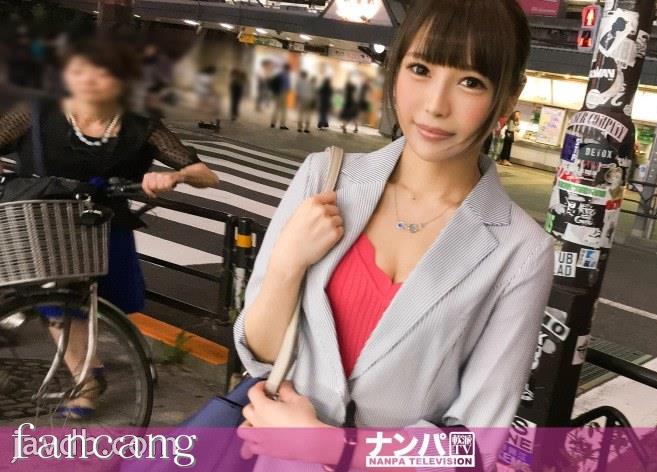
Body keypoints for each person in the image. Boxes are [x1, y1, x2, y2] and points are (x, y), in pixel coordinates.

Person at [233, 0, 553, 469]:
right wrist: (286, 265)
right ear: (396, 68)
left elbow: (474, 443)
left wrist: (331, 447)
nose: (435, 105)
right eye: (420, 69)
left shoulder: (520, 251)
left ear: (507, 98)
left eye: (470, 82)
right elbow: (260, 356)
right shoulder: (325, 179)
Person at [0, 39, 220, 418]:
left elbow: (206, 174)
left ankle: (101, 363)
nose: (87, 81)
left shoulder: (140, 126)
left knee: (108, 303)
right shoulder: (36, 112)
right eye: (78, 72)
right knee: (55, 303)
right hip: (44, 224)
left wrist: (175, 176)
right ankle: (87, 380)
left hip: (104, 223)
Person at [269, 63, 291, 130]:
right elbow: (287, 86)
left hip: (278, 93)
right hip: (283, 93)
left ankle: (273, 123)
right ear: (288, 69)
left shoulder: (279, 74)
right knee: (283, 110)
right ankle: (282, 125)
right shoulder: (286, 75)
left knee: (276, 108)